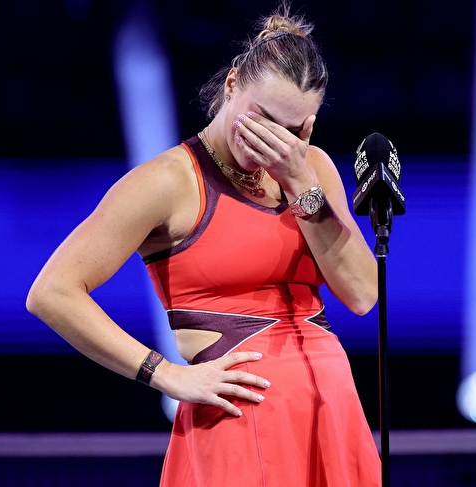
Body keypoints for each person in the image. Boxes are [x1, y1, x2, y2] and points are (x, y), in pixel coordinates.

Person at [26, 2, 381, 485]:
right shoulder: (168, 181)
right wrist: (164, 374)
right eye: (262, 118)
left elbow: (362, 294)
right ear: (232, 84)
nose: (272, 141)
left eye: (292, 129)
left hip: (330, 409)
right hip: (239, 419)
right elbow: (52, 292)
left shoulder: (310, 168)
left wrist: (301, 184)